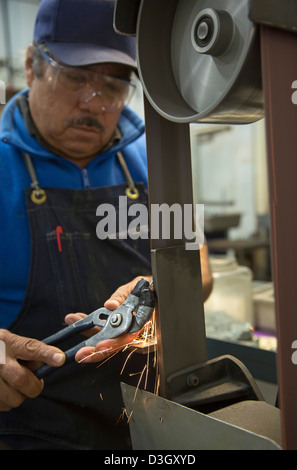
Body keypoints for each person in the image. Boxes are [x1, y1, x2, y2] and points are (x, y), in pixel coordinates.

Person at [0, 0, 212, 450]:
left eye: (114, 87)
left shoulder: (151, 160)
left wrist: (155, 288)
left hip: (150, 419)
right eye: (75, 77)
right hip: (30, 423)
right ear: (32, 65)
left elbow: (202, 273)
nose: (93, 102)